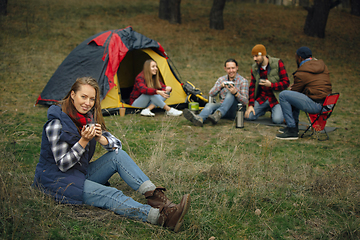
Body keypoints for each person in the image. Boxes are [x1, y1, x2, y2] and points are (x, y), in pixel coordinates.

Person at [32, 77, 191, 232]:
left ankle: (158, 198)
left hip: (78, 174)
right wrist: (83, 141)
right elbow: (63, 164)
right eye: (83, 97)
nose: (88, 103)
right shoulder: (56, 123)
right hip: (56, 181)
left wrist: (101, 138)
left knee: (117, 156)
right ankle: (162, 218)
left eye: (92, 99)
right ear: (72, 95)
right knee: (110, 193)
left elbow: (117, 146)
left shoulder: (87, 118)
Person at [276, 47, 332, 140]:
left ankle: (292, 130)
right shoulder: (322, 67)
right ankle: (294, 126)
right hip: (327, 103)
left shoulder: (302, 72)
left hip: (317, 105)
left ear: (300, 58)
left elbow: (295, 91)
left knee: (284, 95)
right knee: (294, 96)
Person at [183, 59, 249, 127]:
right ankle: (199, 119)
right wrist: (220, 86)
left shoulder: (243, 81)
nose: (231, 71)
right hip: (222, 107)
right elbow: (211, 93)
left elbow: (245, 101)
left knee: (230, 93)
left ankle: (218, 113)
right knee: (210, 105)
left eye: (233, 68)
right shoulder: (221, 80)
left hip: (235, 110)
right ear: (225, 69)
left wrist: (236, 93)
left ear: (237, 68)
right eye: (228, 68)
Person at [245, 44, 290, 124]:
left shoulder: (277, 63)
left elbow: (286, 83)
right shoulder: (254, 68)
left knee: (277, 120)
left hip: (276, 98)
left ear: (263, 55)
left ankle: (278, 111)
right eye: (253, 56)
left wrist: (271, 85)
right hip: (263, 98)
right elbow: (252, 87)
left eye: (256, 56)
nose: (254, 59)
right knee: (249, 116)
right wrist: (251, 105)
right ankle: (262, 110)